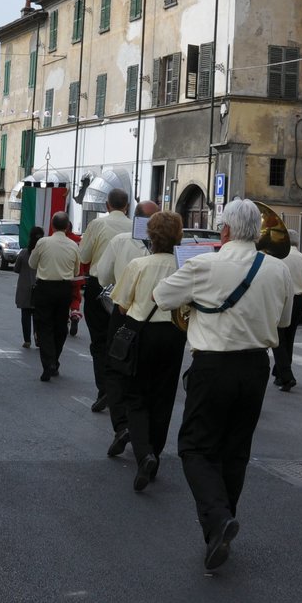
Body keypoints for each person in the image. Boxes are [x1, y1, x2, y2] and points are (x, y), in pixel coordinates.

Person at [153, 198, 295, 571]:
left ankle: (218, 520)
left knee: (195, 448)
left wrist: (198, 302)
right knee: (235, 450)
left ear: (226, 230)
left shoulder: (204, 263)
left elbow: (162, 296)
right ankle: (221, 526)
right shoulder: (278, 270)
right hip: (255, 368)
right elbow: (284, 320)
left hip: (212, 365)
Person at [110, 210, 187, 491]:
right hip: (174, 334)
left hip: (142, 331)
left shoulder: (138, 264)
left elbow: (121, 304)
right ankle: (155, 450)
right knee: (163, 397)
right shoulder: (184, 267)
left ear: (150, 235)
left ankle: (145, 455)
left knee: (136, 395)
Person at [79, 187, 135, 460]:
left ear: (106, 204)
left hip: (99, 285)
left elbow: (84, 255)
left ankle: (105, 388)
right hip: (130, 290)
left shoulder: (97, 224)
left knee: (99, 341)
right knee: (123, 343)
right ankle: (118, 392)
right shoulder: (136, 227)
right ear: (126, 206)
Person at [27, 211, 82, 382]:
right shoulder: (73, 245)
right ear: (67, 227)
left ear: (52, 225)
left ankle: (48, 363)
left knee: (44, 327)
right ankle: (55, 360)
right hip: (64, 288)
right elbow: (76, 271)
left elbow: (32, 263)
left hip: (45, 287)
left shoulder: (43, 242)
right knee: (60, 326)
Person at [270, 239, 302, 391]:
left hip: (282, 297)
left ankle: (286, 376)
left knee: (278, 338)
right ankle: (280, 372)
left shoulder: (278, 258)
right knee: (290, 337)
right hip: (299, 299)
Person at [14, 226, 44, 349]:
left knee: (25, 314)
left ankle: (27, 340)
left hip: (25, 287)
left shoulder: (24, 253)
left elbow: (16, 269)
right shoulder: (43, 254)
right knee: (38, 316)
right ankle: (38, 338)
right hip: (40, 287)